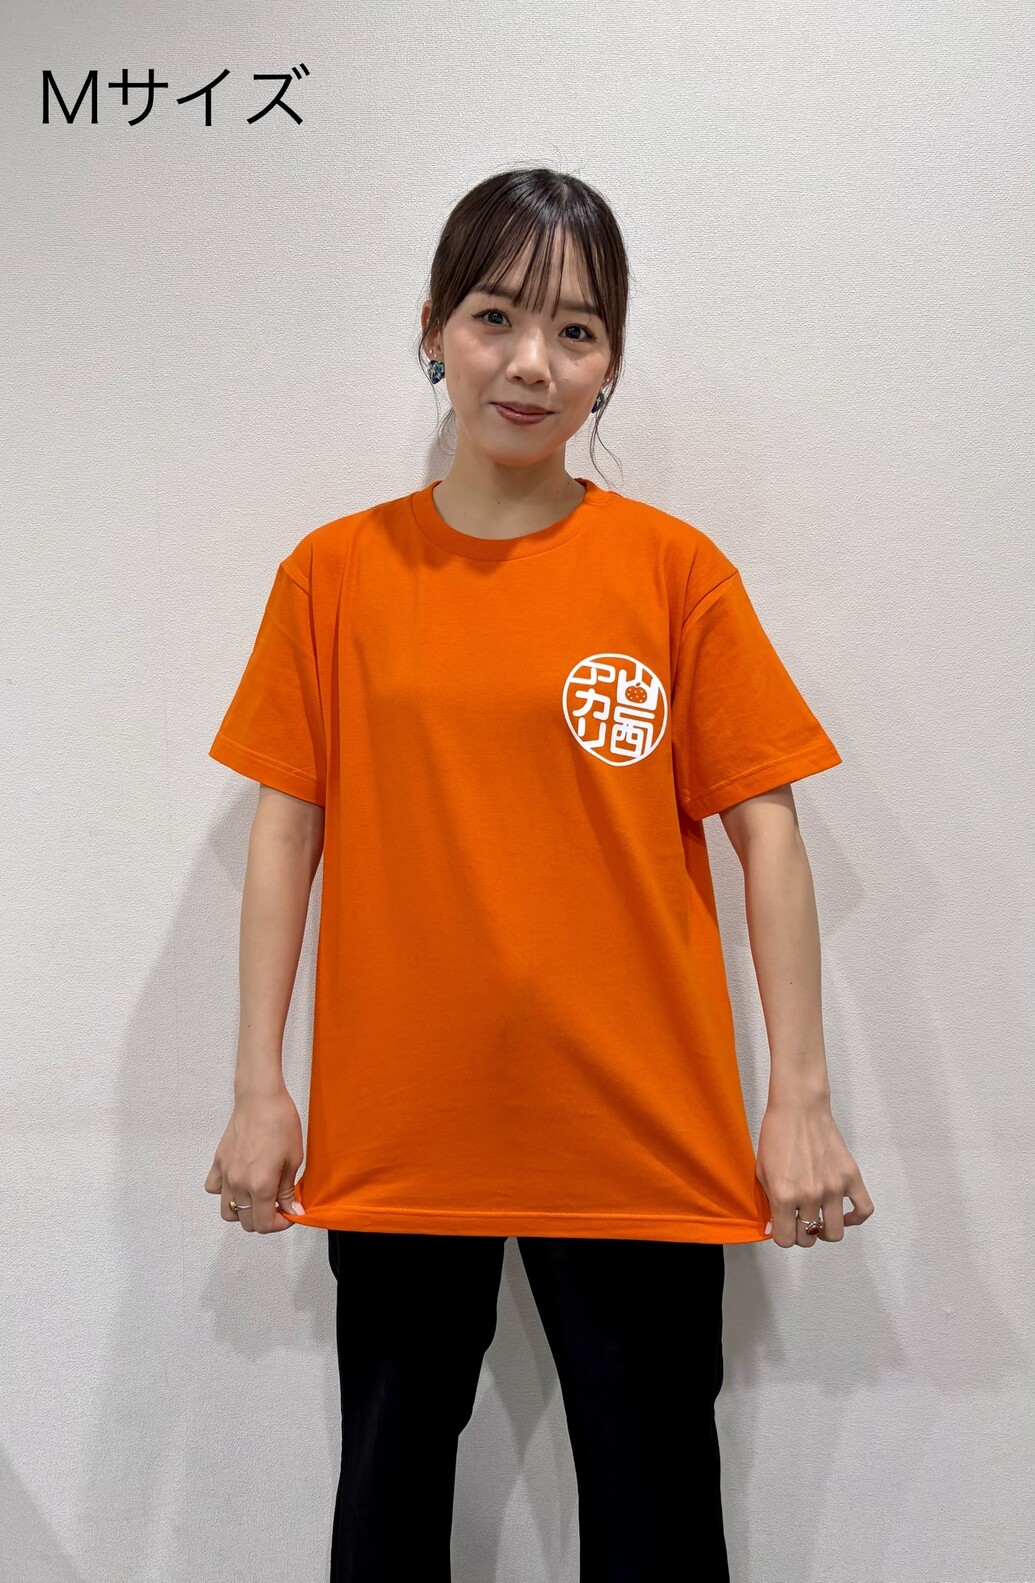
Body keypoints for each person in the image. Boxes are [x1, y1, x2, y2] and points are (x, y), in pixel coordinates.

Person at [204, 165, 874, 1582]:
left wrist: (800, 1099)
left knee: (656, 1518)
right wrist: (261, 1087)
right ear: (433, 328)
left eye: (576, 331)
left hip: (634, 1123)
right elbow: (285, 831)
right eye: (497, 316)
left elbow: (767, 827)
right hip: (404, 1126)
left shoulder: (674, 574)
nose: (531, 363)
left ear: (610, 362)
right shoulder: (334, 577)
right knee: (386, 1508)